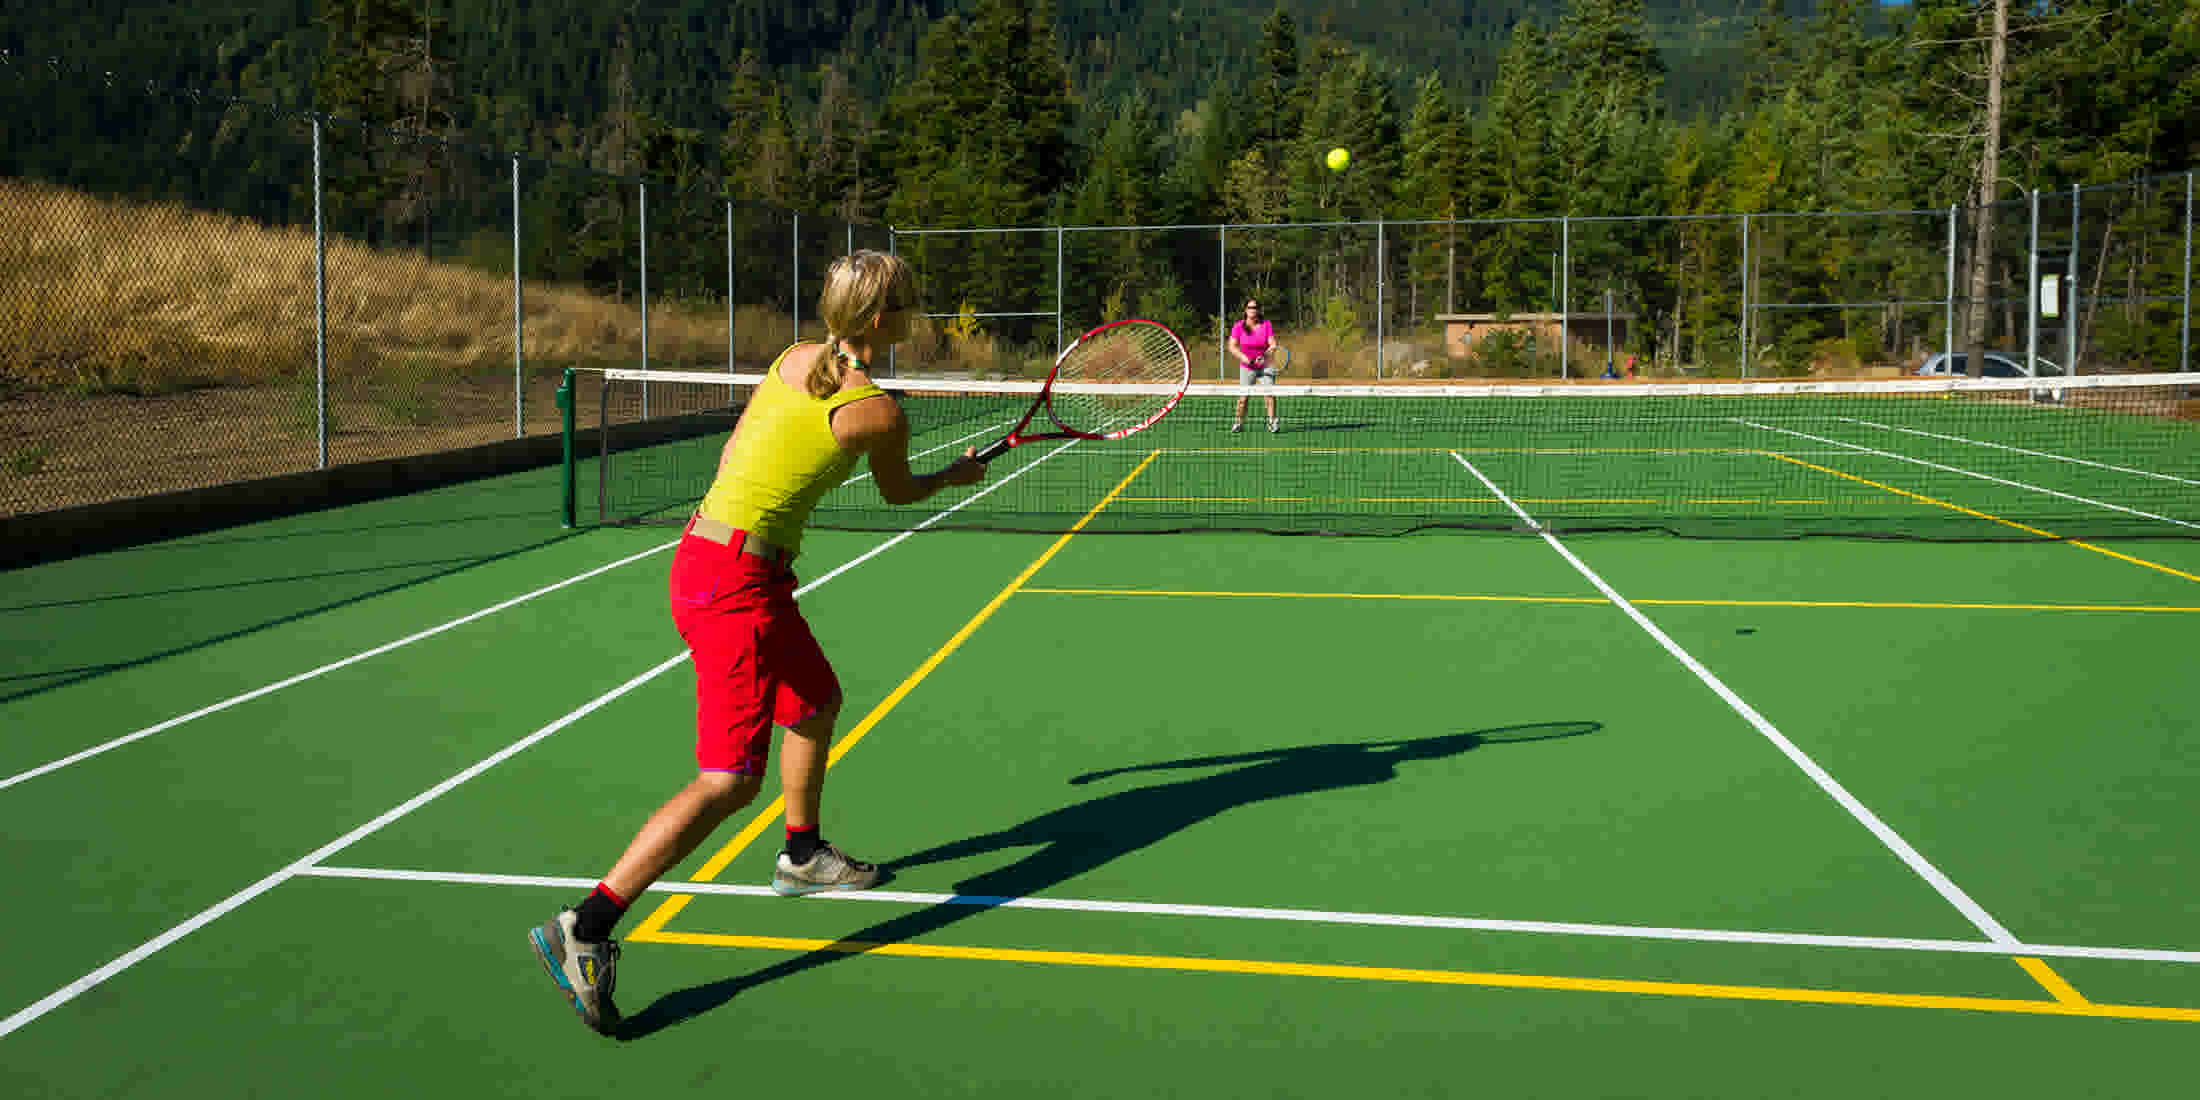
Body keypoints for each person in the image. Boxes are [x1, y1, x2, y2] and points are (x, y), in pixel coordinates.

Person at [528, 250, 986, 1036]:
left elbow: (742, 451)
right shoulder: (877, 411)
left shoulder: (792, 360)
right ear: (884, 321)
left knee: (814, 702)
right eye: (910, 306)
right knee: (728, 780)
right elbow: (900, 492)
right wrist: (954, 475)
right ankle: (587, 926)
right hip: (733, 588)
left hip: (715, 560)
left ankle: (802, 854)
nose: (917, 317)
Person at [1228, 299, 1282, 432]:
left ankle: (1271, 422)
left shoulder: (1266, 325)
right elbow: (1232, 346)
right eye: (1250, 307)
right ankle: (1239, 423)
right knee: (1243, 398)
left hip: (1265, 366)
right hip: (1247, 367)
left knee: (1269, 394)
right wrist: (1244, 358)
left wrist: (1264, 356)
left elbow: (1273, 344)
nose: (1252, 309)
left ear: (1258, 310)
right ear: (1245, 310)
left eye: (1255, 307)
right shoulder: (1238, 326)